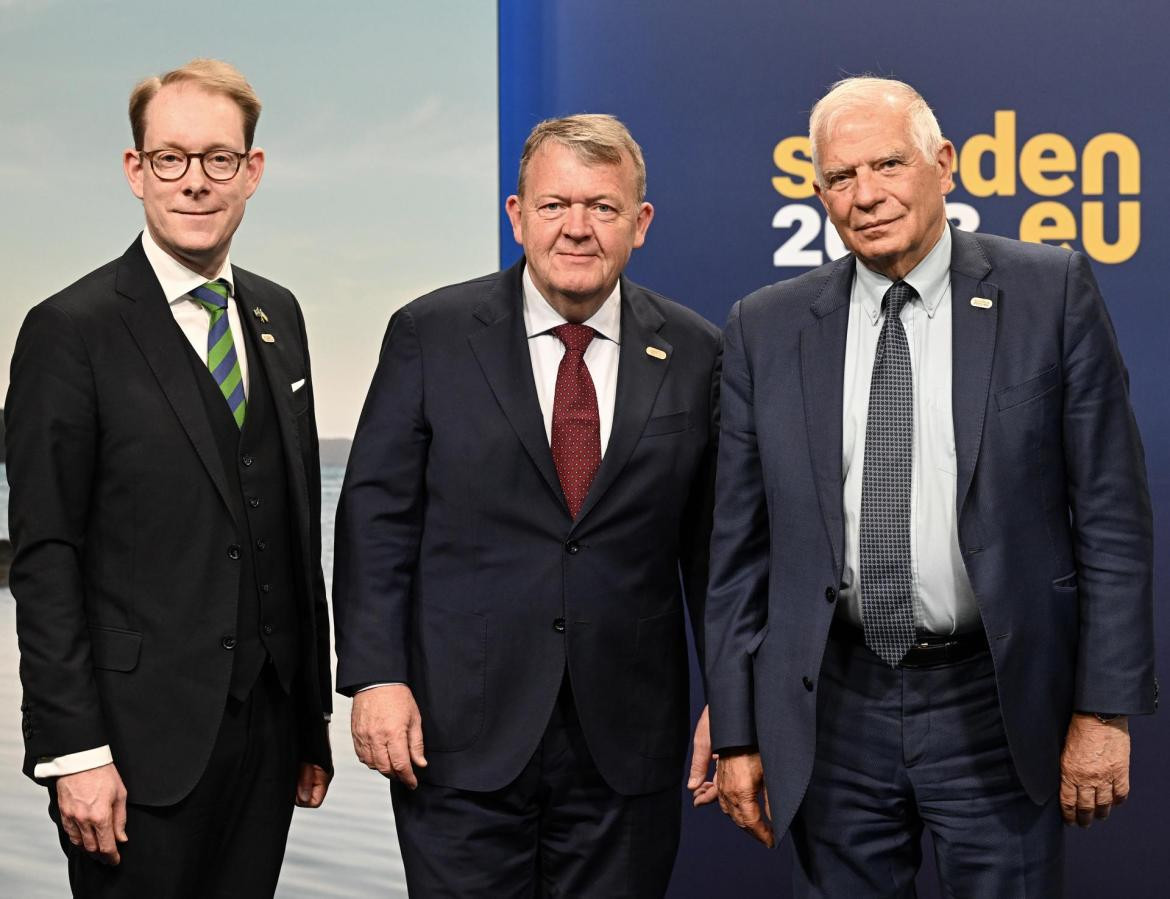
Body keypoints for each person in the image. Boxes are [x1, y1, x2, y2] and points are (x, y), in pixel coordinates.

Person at [705, 76, 1155, 896]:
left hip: (995, 701)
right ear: (820, 194)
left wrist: (1104, 709)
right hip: (831, 708)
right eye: (841, 178)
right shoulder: (764, 327)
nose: (866, 194)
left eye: (887, 164)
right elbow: (738, 552)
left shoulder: (1050, 292)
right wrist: (737, 730)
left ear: (942, 164)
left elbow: (1112, 518)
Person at [333, 113, 721, 896]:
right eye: (554, 206)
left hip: (627, 744)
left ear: (639, 223)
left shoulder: (695, 350)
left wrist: (734, 699)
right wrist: (376, 675)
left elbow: (716, 549)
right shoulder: (430, 334)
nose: (577, 228)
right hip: (457, 733)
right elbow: (376, 520)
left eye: (603, 208)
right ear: (517, 215)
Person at [5, 58, 332, 897]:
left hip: (267, 739)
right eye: (171, 159)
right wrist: (72, 752)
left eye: (219, 159)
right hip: (130, 753)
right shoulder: (66, 332)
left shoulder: (278, 314)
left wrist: (310, 724)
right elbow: (43, 559)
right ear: (135, 170)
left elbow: (293, 530)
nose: (195, 182)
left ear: (252, 172)